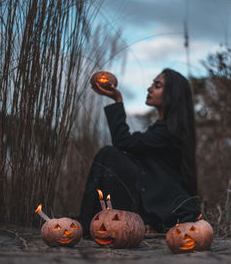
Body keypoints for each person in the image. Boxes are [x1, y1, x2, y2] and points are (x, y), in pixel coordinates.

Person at [77, 68, 200, 236]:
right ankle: (96, 221)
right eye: (152, 84)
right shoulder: (164, 128)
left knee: (110, 155)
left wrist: (117, 99)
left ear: (172, 94)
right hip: (149, 194)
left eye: (157, 86)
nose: (150, 89)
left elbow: (124, 142)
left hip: (160, 200)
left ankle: (89, 222)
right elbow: (131, 149)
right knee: (112, 156)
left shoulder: (168, 132)